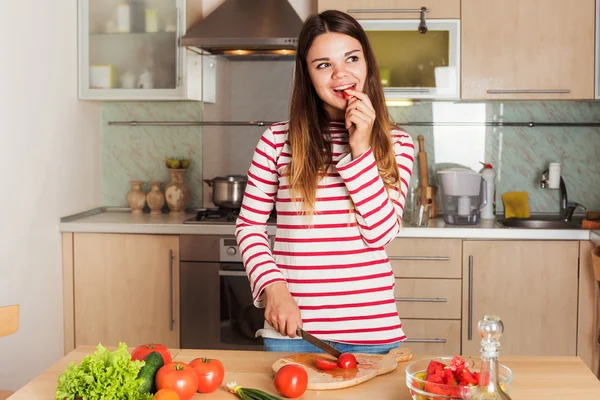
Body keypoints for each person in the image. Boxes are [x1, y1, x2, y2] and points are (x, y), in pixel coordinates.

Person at [235, 10, 414, 355]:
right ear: (307, 75)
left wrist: (360, 147)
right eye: (323, 65)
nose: (341, 74)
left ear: (367, 65)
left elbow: (380, 234)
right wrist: (273, 288)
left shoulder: (397, 143)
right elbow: (249, 226)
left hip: (371, 332)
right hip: (294, 331)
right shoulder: (276, 140)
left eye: (351, 59)